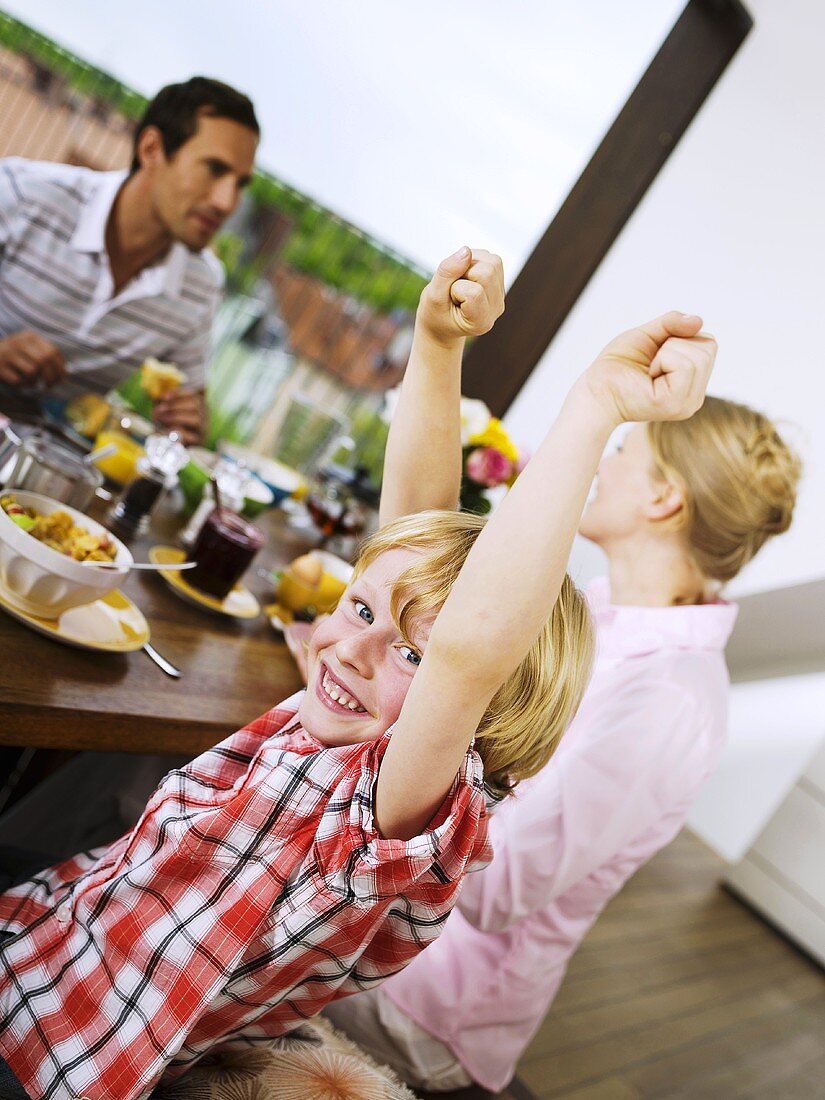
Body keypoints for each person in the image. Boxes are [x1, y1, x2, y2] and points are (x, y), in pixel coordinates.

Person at [0, 245, 715, 1100]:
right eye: (361, 610)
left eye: (413, 656)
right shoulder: (342, 711)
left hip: (50, 1052)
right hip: (44, 934)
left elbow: (471, 646)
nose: (354, 650)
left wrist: (595, 405)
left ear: (473, 716)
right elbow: (410, 533)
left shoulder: (380, 813)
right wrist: (434, 340)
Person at [324, 352, 801, 1092]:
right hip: (388, 930)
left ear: (663, 502)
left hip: (423, 1004)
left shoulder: (668, 702)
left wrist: (427, 716)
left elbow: (497, 893)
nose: (600, 464)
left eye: (621, 451)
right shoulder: (602, 610)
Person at [0, 76, 260, 444]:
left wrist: (187, 423)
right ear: (152, 149)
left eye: (240, 184)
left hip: (49, 475)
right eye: (214, 169)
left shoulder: (201, 286)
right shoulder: (22, 194)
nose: (226, 202)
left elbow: (188, 413)